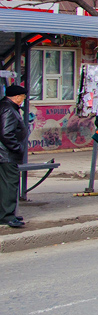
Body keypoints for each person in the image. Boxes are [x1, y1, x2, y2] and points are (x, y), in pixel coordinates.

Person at [1, 84, 30, 228]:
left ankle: (6, 213)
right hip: (6, 154)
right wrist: (18, 149)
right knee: (10, 184)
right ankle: (7, 216)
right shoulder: (8, 109)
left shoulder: (6, 107)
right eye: (23, 97)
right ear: (17, 97)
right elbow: (6, 133)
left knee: (5, 184)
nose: (23, 100)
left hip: (4, 154)